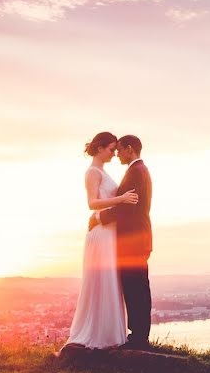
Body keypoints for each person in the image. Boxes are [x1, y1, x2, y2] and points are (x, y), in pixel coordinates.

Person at [64, 132, 139, 349]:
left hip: (109, 231)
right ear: (99, 149)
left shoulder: (103, 172)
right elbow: (92, 203)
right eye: (111, 150)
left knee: (111, 280)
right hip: (101, 233)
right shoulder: (92, 173)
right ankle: (98, 335)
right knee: (103, 280)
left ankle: (111, 335)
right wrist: (122, 199)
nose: (114, 154)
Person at [89, 134, 153, 349]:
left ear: (130, 149)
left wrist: (100, 217)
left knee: (135, 288)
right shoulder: (138, 170)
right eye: (113, 150)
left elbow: (128, 207)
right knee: (138, 287)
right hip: (136, 238)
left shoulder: (136, 172)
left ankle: (138, 337)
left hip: (132, 240)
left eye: (120, 150)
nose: (117, 155)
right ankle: (139, 335)